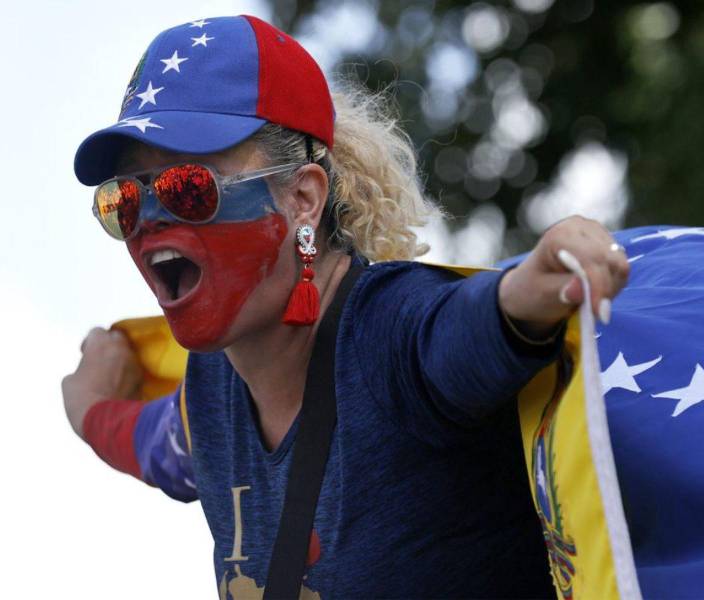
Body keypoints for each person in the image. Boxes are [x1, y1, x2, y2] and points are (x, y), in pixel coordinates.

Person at [62, 15, 628, 598]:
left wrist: (534, 286)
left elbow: (470, 330)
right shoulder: (209, 398)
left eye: (188, 187)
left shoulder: (389, 331)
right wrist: (86, 405)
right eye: (124, 200)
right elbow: (145, 443)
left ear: (303, 198)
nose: (150, 219)